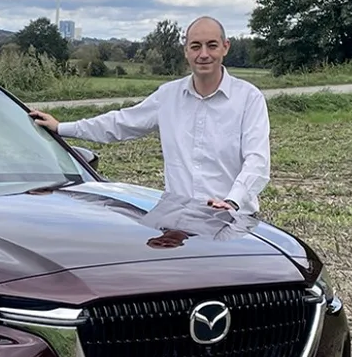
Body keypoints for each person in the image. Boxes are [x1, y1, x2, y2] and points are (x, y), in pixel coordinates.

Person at [29, 16, 271, 215]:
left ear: (225, 47)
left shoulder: (249, 98)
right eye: (196, 46)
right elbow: (120, 123)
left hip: (233, 220)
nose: (204, 54)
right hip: (179, 221)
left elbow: (257, 162)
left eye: (212, 45)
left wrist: (232, 201)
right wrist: (62, 128)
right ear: (186, 50)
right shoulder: (168, 96)